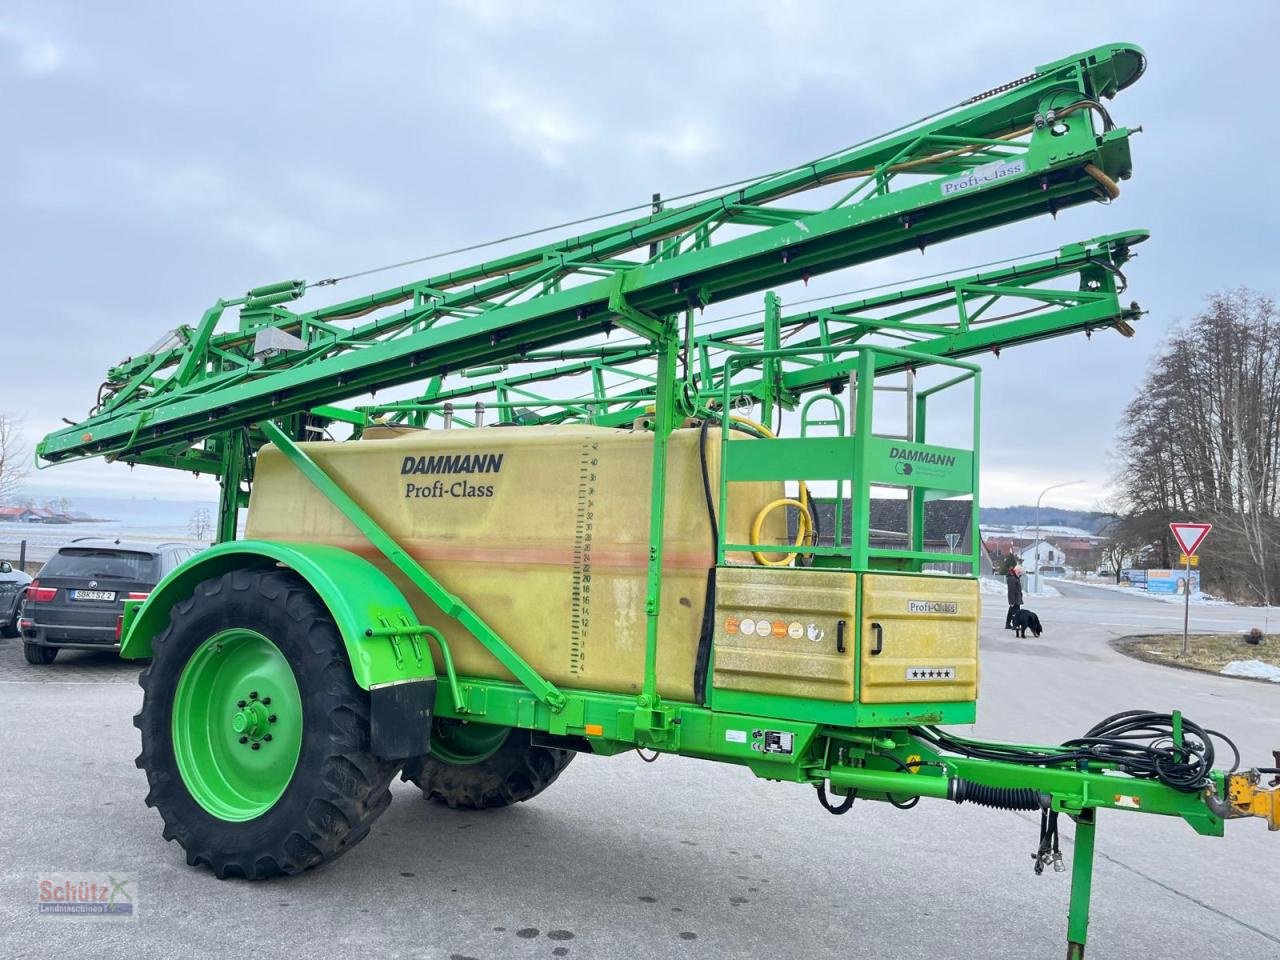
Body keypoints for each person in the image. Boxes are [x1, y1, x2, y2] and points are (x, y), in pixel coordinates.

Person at [1005, 564, 1024, 630]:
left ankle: (1008, 624)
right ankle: (1015, 625)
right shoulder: (1012, 579)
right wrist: (1011, 601)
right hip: (1015, 600)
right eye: (1019, 573)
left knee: (1011, 611)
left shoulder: (1014, 577)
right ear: (1017, 572)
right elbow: (1011, 591)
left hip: (1016, 599)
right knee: (1015, 613)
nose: (1020, 575)